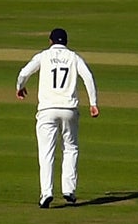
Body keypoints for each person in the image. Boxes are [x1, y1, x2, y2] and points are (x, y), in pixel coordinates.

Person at [15, 27, 99, 208]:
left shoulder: (43, 56)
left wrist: (19, 87)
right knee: (71, 148)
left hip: (47, 109)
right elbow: (88, 77)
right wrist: (93, 103)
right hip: (69, 108)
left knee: (46, 152)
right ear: (66, 42)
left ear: (50, 41)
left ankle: (46, 193)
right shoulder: (74, 57)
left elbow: (23, 73)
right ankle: (69, 190)